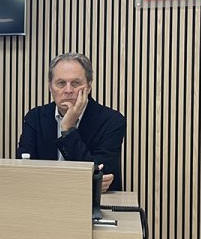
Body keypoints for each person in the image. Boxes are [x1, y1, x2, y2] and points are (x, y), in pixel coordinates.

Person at [16, 53, 126, 191]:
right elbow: (24, 171)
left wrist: (68, 129)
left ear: (89, 86)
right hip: (43, 196)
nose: (68, 90)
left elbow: (103, 176)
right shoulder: (35, 117)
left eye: (75, 83)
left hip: (94, 201)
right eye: (61, 83)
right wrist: (86, 180)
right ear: (50, 86)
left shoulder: (111, 121)